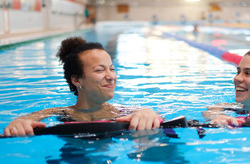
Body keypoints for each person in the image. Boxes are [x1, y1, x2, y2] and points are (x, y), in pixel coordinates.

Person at [4, 37, 160, 137]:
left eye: (112, 69)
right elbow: (25, 119)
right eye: (100, 70)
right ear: (77, 80)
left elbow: (152, 115)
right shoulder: (60, 112)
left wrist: (148, 113)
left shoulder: (122, 112)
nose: (111, 76)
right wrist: (18, 123)